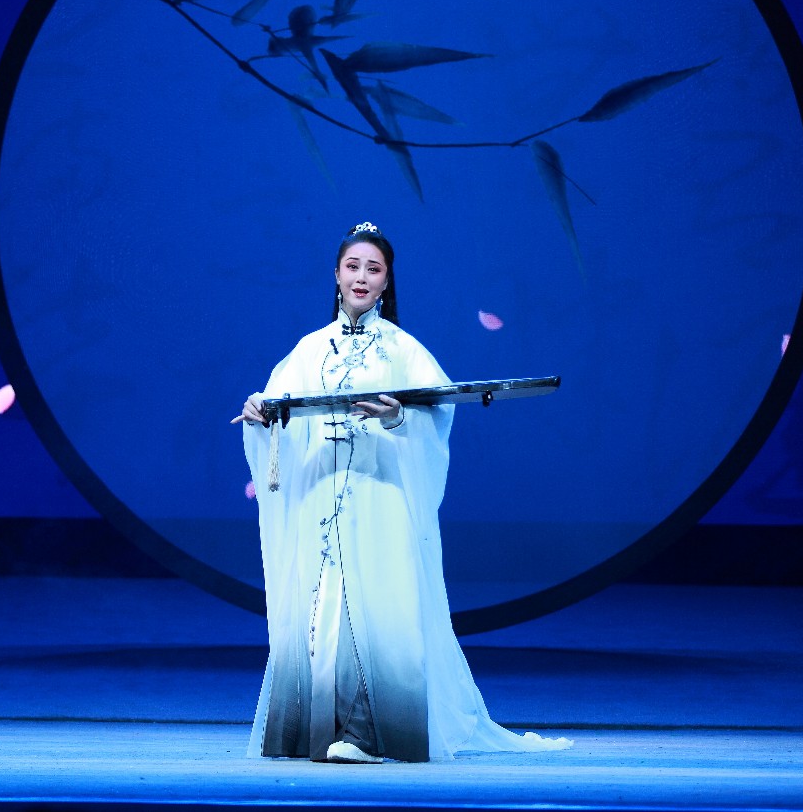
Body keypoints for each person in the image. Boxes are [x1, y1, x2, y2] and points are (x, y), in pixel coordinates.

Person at [234, 222, 573, 764]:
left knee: (379, 612)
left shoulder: (403, 349)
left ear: (387, 282)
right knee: (325, 610)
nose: (361, 277)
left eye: (373, 269)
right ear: (336, 274)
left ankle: (370, 735)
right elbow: (277, 409)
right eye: (353, 267)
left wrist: (397, 420)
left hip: (379, 497)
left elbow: (436, 419)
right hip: (323, 497)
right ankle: (313, 731)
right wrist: (260, 414)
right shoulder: (308, 350)